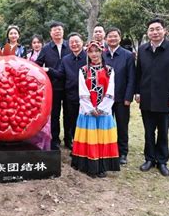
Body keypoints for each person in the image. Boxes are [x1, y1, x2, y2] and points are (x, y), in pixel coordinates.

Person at [135, 18, 169, 177]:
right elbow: (138, 73)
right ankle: (149, 158)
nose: (154, 32)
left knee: (163, 131)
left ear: (164, 30)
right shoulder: (142, 49)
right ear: (148, 32)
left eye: (158, 29)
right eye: (151, 29)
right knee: (148, 131)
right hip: (147, 98)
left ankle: (162, 161)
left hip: (166, 98)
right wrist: (137, 92)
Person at [71, 41, 120, 178]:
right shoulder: (83, 70)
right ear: (87, 53)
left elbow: (111, 90)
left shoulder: (109, 70)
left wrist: (103, 107)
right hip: (88, 111)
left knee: (102, 138)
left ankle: (102, 166)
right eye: (91, 51)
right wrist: (90, 108)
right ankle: (88, 165)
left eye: (96, 51)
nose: (94, 54)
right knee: (89, 137)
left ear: (101, 52)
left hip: (104, 111)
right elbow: (82, 90)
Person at [46, 32, 87, 149]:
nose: (74, 44)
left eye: (77, 42)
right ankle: (76, 144)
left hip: (87, 96)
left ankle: (85, 145)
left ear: (82, 42)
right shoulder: (66, 59)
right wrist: (48, 70)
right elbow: (60, 74)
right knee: (71, 120)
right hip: (71, 95)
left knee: (85, 121)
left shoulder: (88, 57)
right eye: (71, 42)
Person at [35, 21, 70, 150]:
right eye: (54, 30)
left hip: (69, 85)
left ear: (63, 31)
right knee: (54, 114)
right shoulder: (46, 48)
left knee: (69, 114)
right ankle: (54, 140)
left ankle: (69, 139)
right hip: (53, 86)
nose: (57, 31)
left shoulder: (69, 45)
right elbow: (38, 64)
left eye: (59, 29)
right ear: (51, 33)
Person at [103, 27, 135, 165]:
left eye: (115, 36)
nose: (112, 39)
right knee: (105, 125)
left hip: (122, 98)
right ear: (105, 39)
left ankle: (122, 152)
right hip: (104, 99)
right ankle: (107, 149)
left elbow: (131, 78)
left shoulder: (128, 55)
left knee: (122, 126)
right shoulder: (101, 55)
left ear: (120, 38)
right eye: (110, 36)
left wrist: (128, 97)